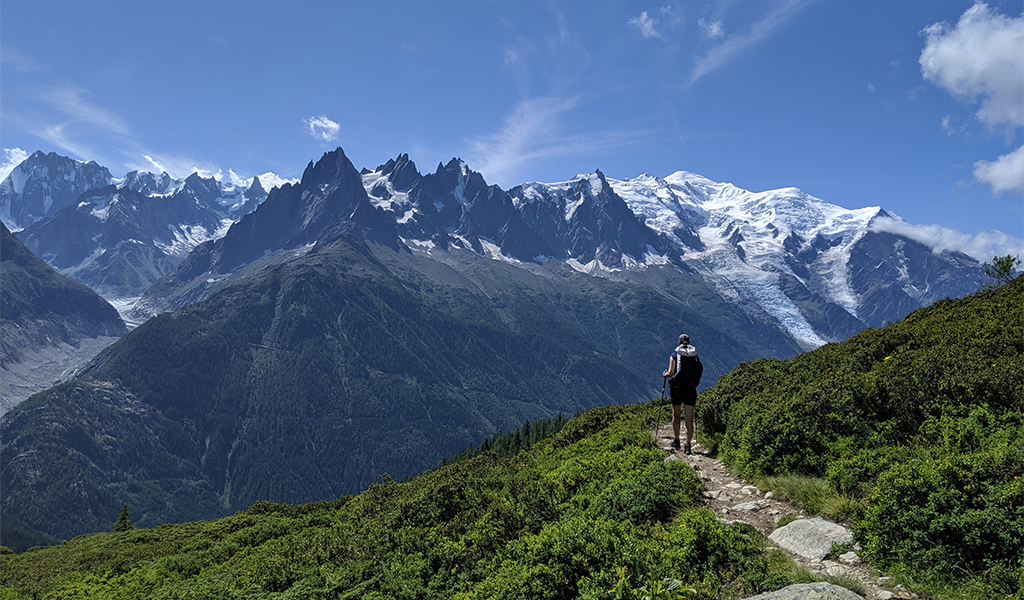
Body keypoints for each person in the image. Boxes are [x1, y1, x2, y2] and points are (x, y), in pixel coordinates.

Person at [662, 334, 703, 454]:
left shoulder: (675, 355)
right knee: (689, 419)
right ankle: (688, 445)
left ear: (679, 343)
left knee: (676, 415)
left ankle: (676, 440)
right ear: (688, 342)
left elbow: (670, 372)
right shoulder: (694, 355)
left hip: (677, 389)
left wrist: (665, 374)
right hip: (690, 389)